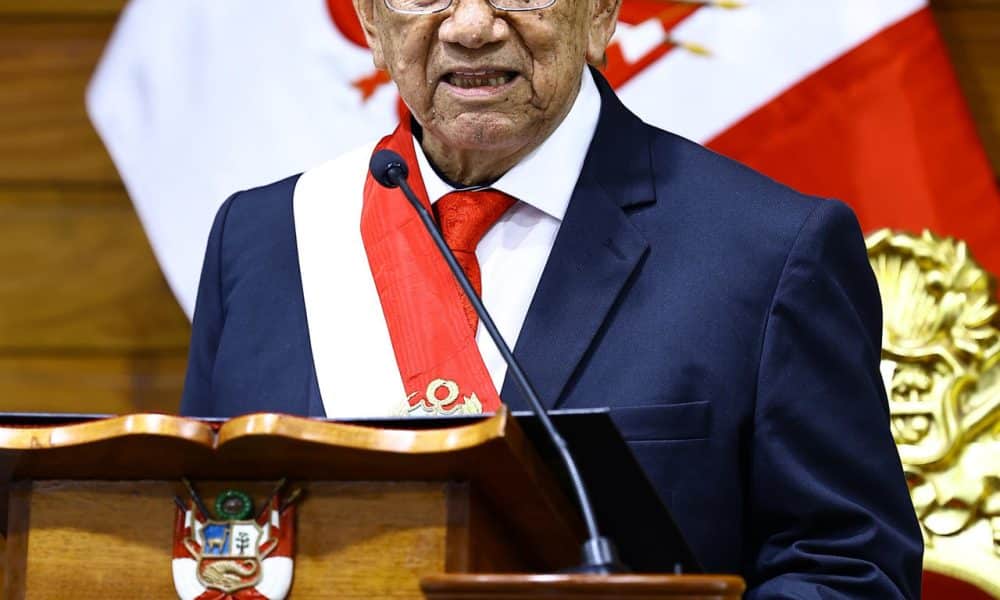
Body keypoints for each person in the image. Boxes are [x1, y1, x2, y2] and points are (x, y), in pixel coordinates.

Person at [181, 0, 923, 596]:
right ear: (372, 23)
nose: (471, 26)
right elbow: (200, 528)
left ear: (600, 13)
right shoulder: (262, 240)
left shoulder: (771, 250)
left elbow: (847, 568)